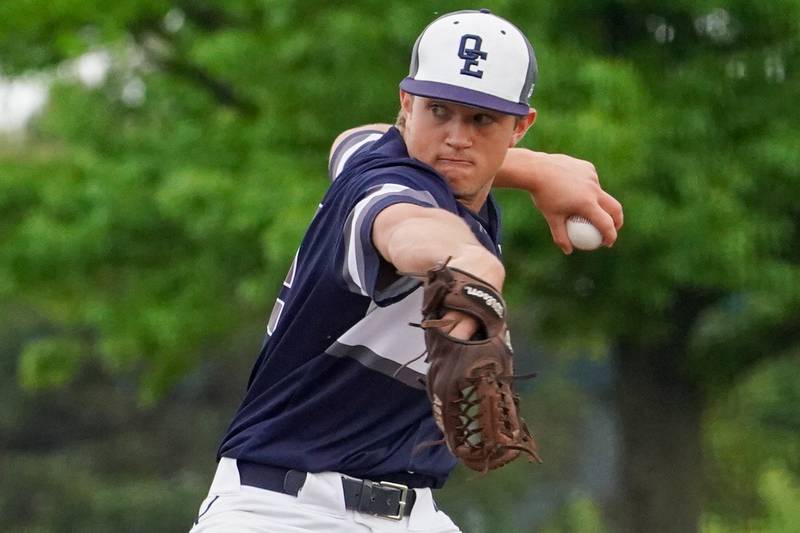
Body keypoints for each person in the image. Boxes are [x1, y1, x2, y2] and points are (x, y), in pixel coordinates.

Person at [190, 8, 622, 533]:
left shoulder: (367, 155)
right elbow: (404, 229)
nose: (456, 136)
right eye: (438, 110)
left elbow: (351, 137)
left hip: (410, 514)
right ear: (406, 103)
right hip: (282, 509)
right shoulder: (382, 190)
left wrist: (534, 169)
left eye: (482, 119)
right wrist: (467, 263)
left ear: (520, 126)